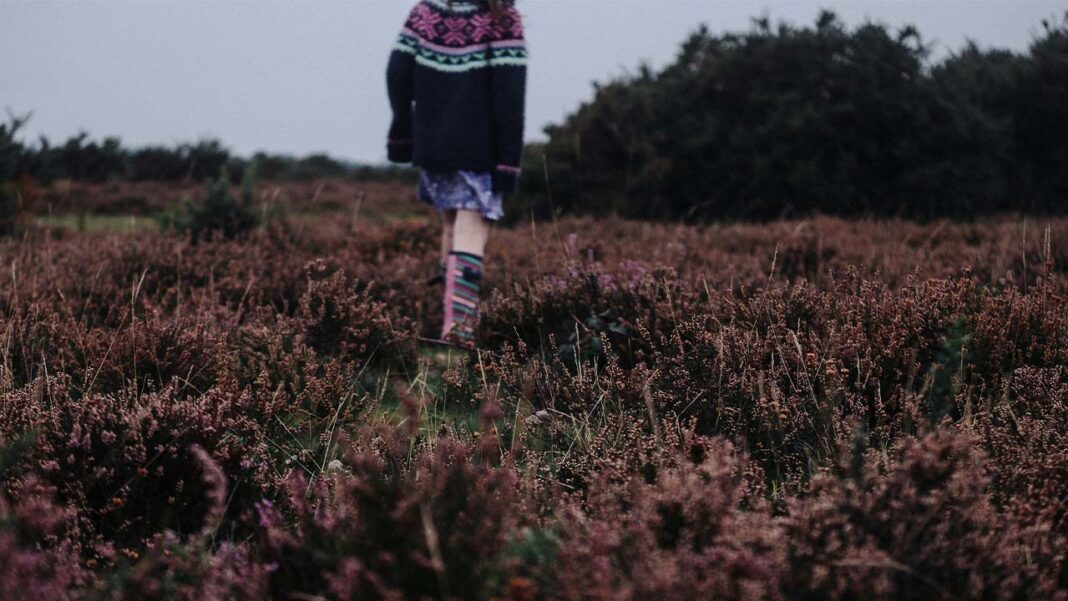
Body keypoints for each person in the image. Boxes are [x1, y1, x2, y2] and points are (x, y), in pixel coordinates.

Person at [385, 0, 527, 348]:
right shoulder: (501, 18)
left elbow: (397, 70)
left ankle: (448, 324)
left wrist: (402, 128)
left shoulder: (426, 12)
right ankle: (458, 332)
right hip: (479, 148)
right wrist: (509, 161)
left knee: (451, 223)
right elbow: (510, 96)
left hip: (432, 143)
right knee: (472, 226)